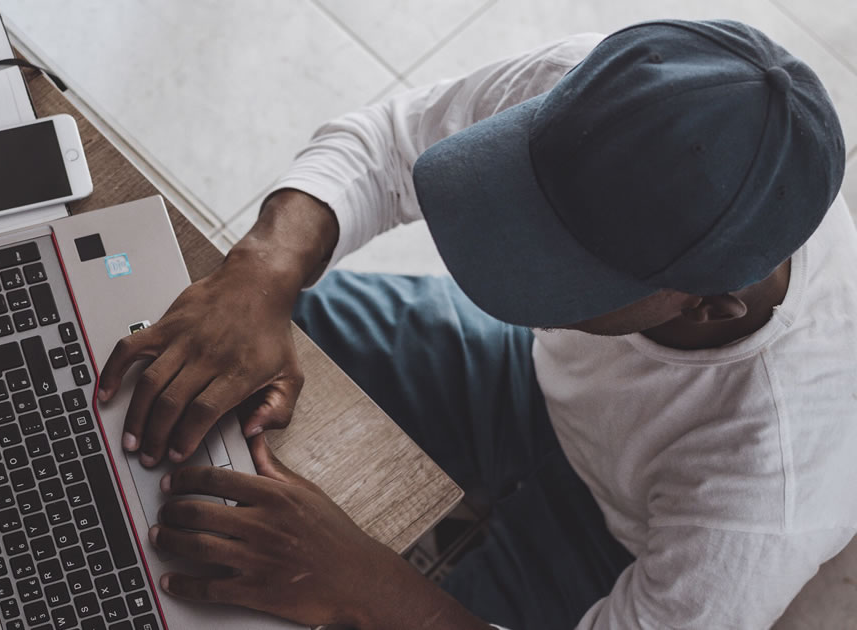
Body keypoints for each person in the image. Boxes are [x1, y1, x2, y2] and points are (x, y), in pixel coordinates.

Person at [97, 19, 857, 629]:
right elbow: (388, 144)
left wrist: (375, 592)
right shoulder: (617, 102)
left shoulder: (772, 486)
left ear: (705, 304)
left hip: (614, 543)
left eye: (561, 266)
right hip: (518, 375)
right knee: (237, 336)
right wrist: (261, 271)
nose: (505, 245)